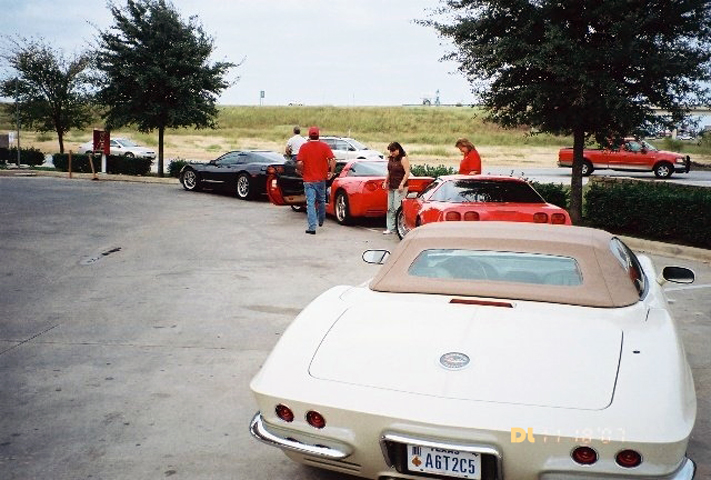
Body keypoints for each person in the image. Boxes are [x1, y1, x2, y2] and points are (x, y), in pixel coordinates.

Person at [296, 126, 336, 234]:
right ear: (319, 135)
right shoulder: (324, 146)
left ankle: (312, 227)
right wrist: (331, 172)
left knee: (310, 203)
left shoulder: (304, 147)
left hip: (308, 180)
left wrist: (300, 171)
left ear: (309, 135)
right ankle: (321, 219)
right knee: (321, 200)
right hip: (321, 180)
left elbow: (299, 163)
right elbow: (332, 160)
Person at [382, 141, 410, 235]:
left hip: (400, 186)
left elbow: (407, 172)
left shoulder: (403, 159)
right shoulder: (391, 159)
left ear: (398, 150)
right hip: (392, 185)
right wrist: (385, 181)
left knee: (397, 207)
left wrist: (402, 184)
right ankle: (390, 227)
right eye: (390, 151)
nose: (392, 153)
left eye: (393, 151)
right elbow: (389, 172)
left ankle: (398, 227)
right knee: (390, 207)